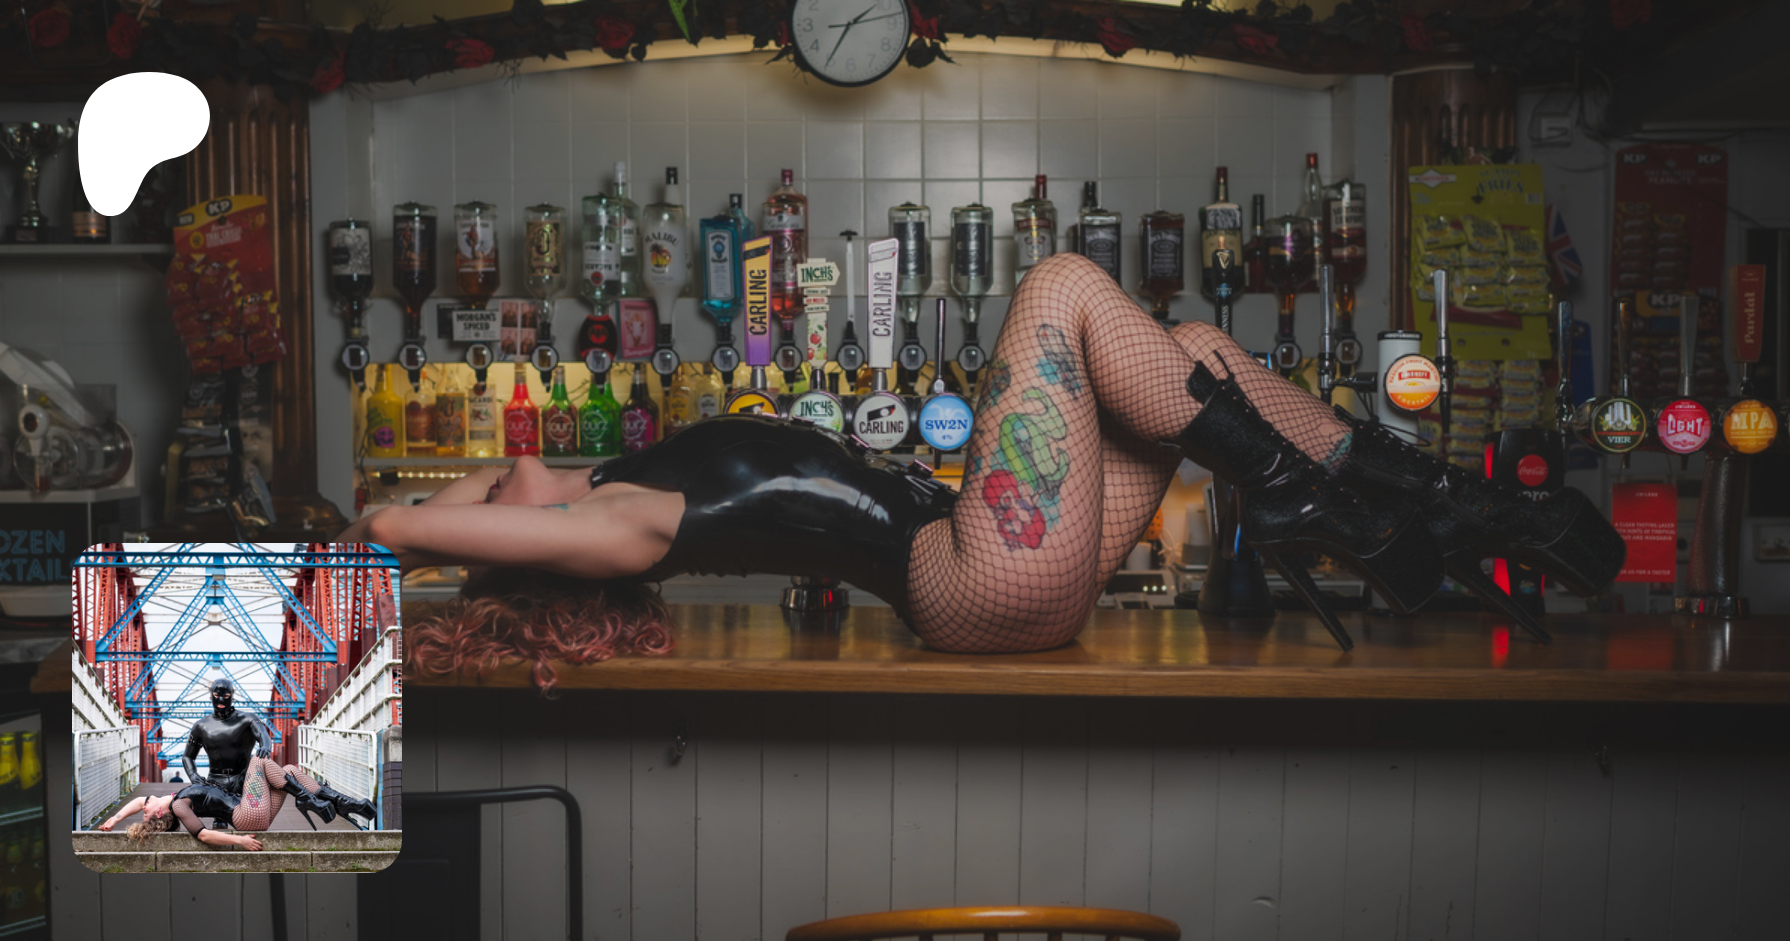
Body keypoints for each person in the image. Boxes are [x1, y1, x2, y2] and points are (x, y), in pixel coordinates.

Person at [349, 254, 1622, 678]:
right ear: (527, 550)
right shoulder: (613, 527)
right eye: (482, 501)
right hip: (971, 576)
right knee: (1061, 283)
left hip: (995, 564)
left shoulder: (627, 483)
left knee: (1188, 350)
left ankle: (1437, 503)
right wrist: (394, 535)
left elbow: (437, 512)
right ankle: (1316, 498)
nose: (484, 480)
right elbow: (397, 524)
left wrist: (446, 518)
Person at [97, 756, 377, 848]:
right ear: (159, 813)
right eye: (145, 812)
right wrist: (239, 840)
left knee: (289, 770)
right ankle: (307, 799)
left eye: (143, 810)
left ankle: (341, 803)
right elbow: (203, 835)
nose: (143, 807)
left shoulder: (170, 800)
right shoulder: (180, 807)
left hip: (254, 810)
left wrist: (115, 819)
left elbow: (139, 802)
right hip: (246, 815)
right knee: (258, 760)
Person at [183, 678, 273, 796]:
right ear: (211, 696)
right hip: (215, 782)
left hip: (243, 779)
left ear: (232, 696)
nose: (221, 699)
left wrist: (265, 746)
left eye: (226, 696)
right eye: (216, 695)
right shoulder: (200, 726)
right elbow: (187, 756)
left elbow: (263, 734)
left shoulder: (248, 719)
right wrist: (193, 775)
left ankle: (298, 792)